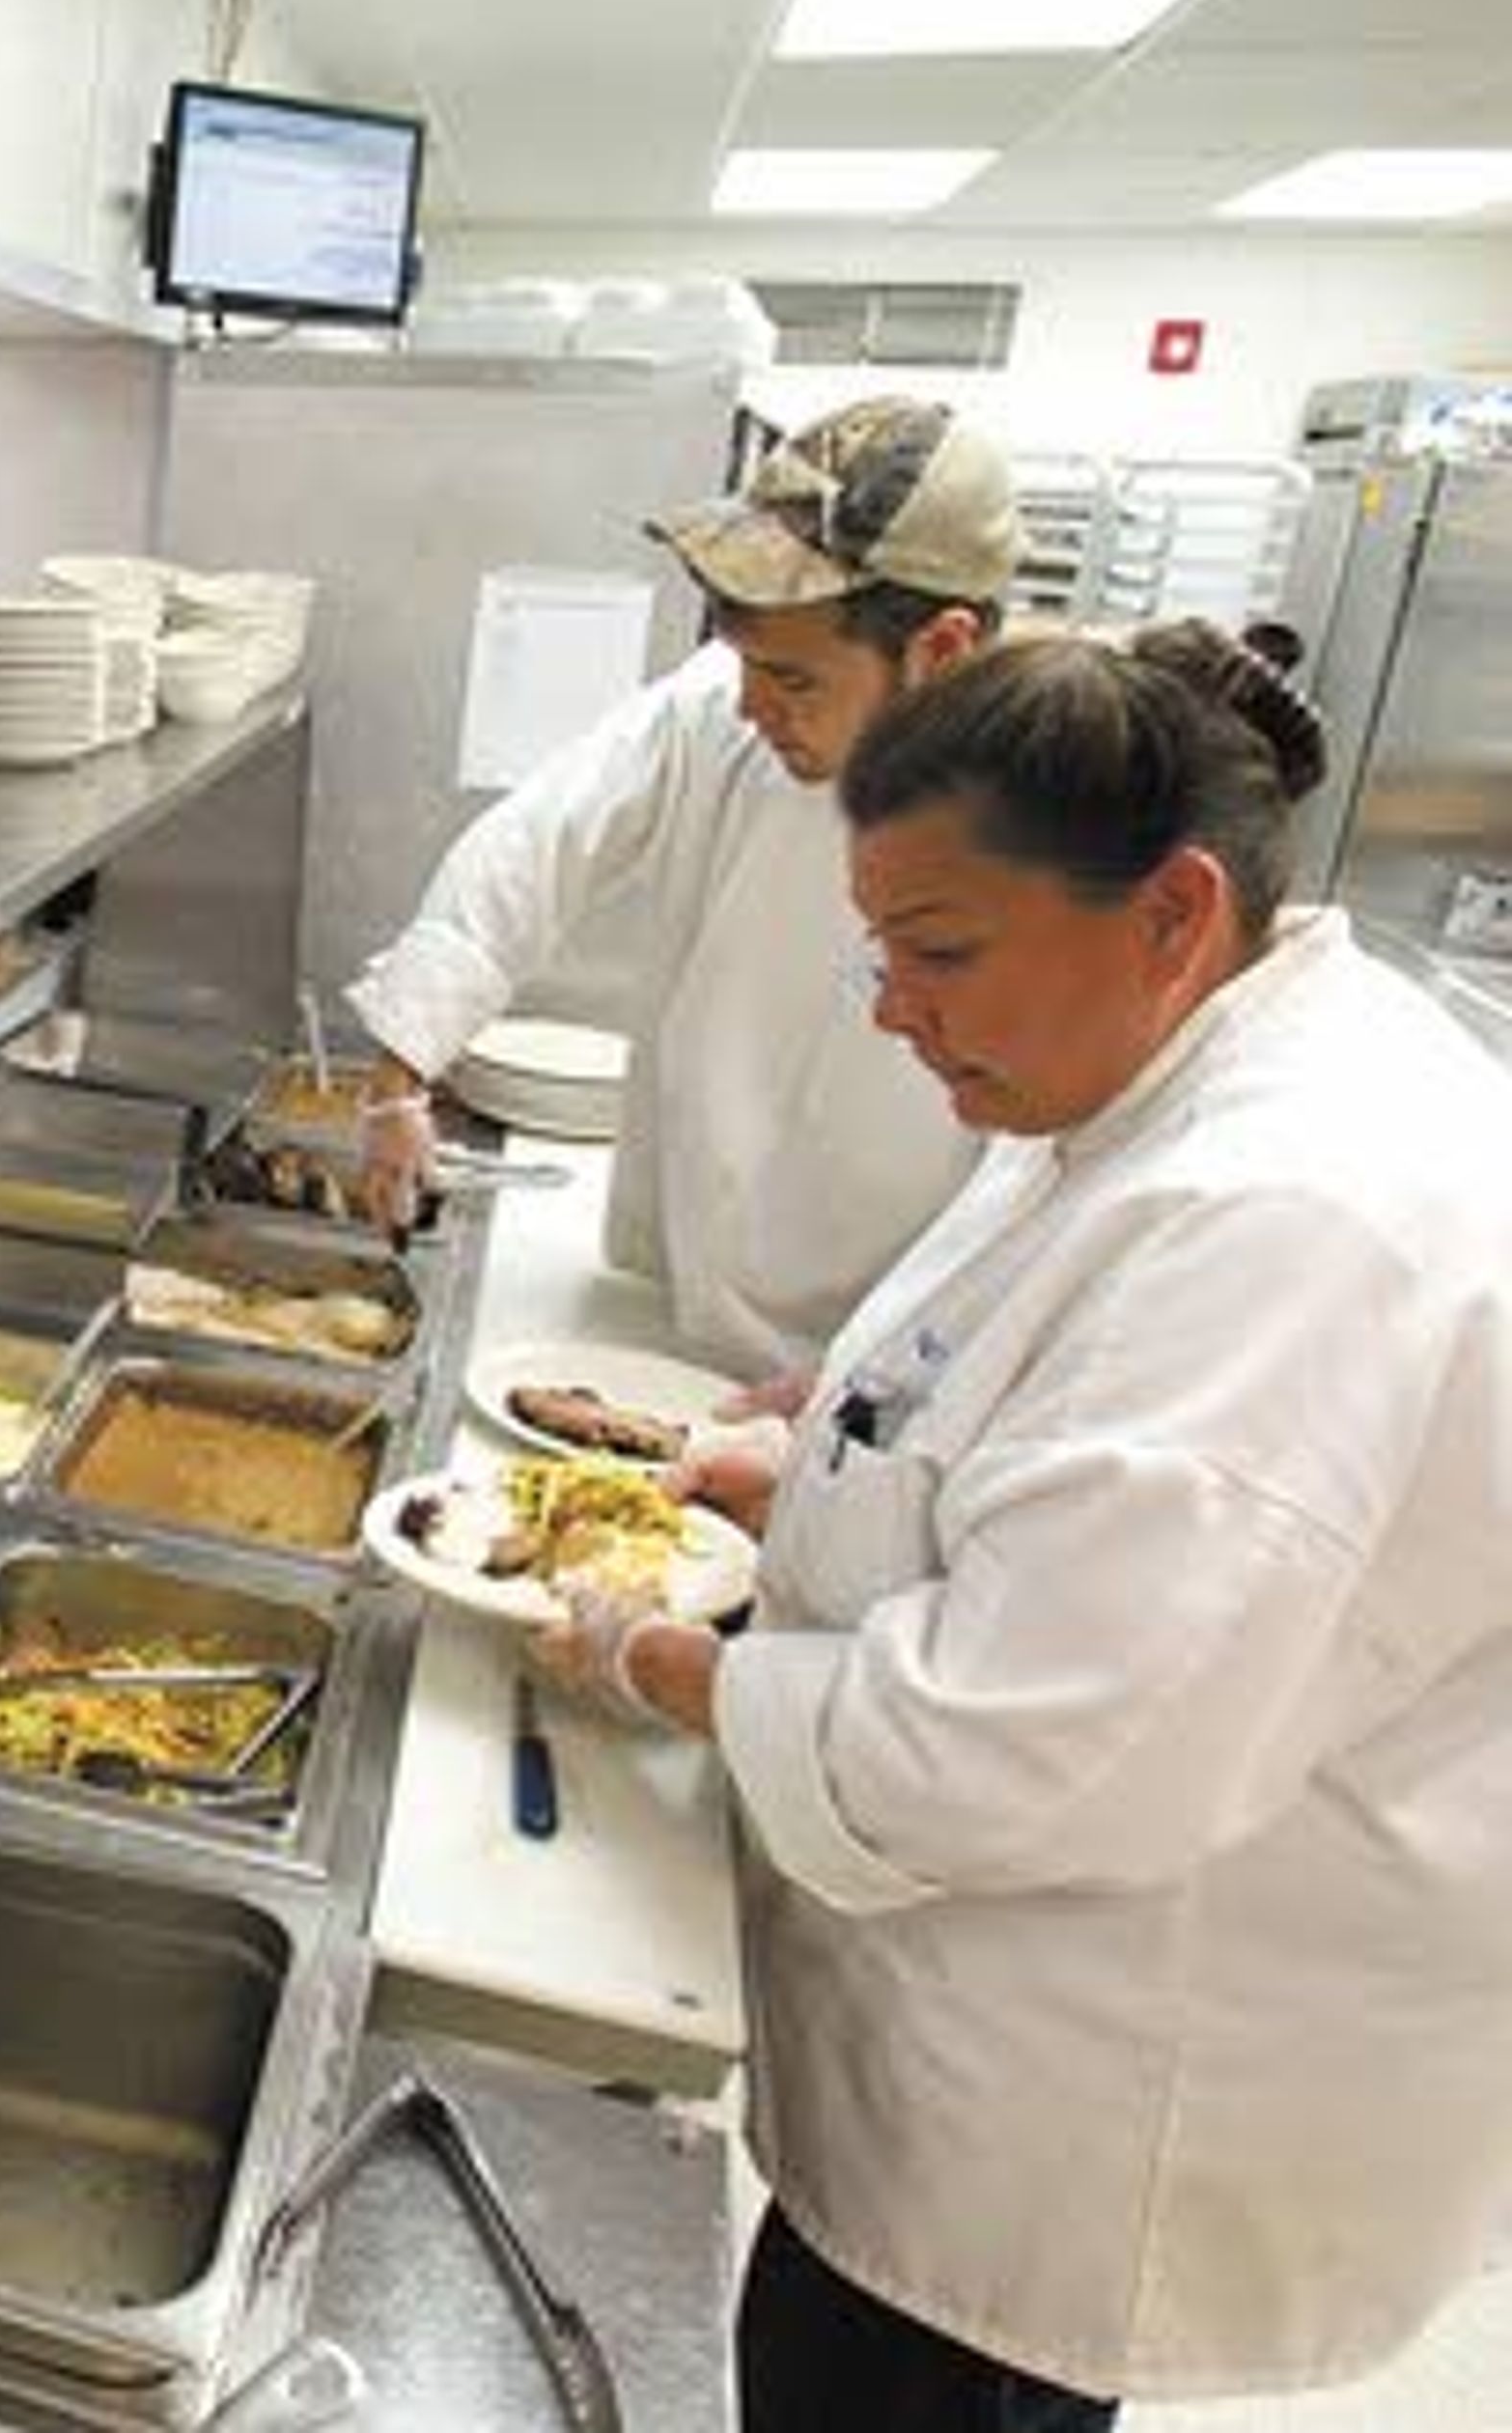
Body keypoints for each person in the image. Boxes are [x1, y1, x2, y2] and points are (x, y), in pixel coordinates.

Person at [533, 623, 1512, 2428]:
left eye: (940, 950)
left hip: (1104, 2090)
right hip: (1022, 2027)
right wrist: (827, 1452)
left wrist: (672, 1662)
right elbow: (1038, 1397)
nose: (895, 1004)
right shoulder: (1189, 1053)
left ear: (1171, 909)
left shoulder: (1300, 1217)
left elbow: (1021, 1745)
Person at [346, 397, 1015, 1375]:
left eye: (794, 681)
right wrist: (399, 1075)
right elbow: (540, 843)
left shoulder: (1049, 825)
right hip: (681, 1288)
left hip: (874, 1351)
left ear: (941, 651)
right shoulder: (724, 703)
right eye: (746, 665)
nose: (751, 705)